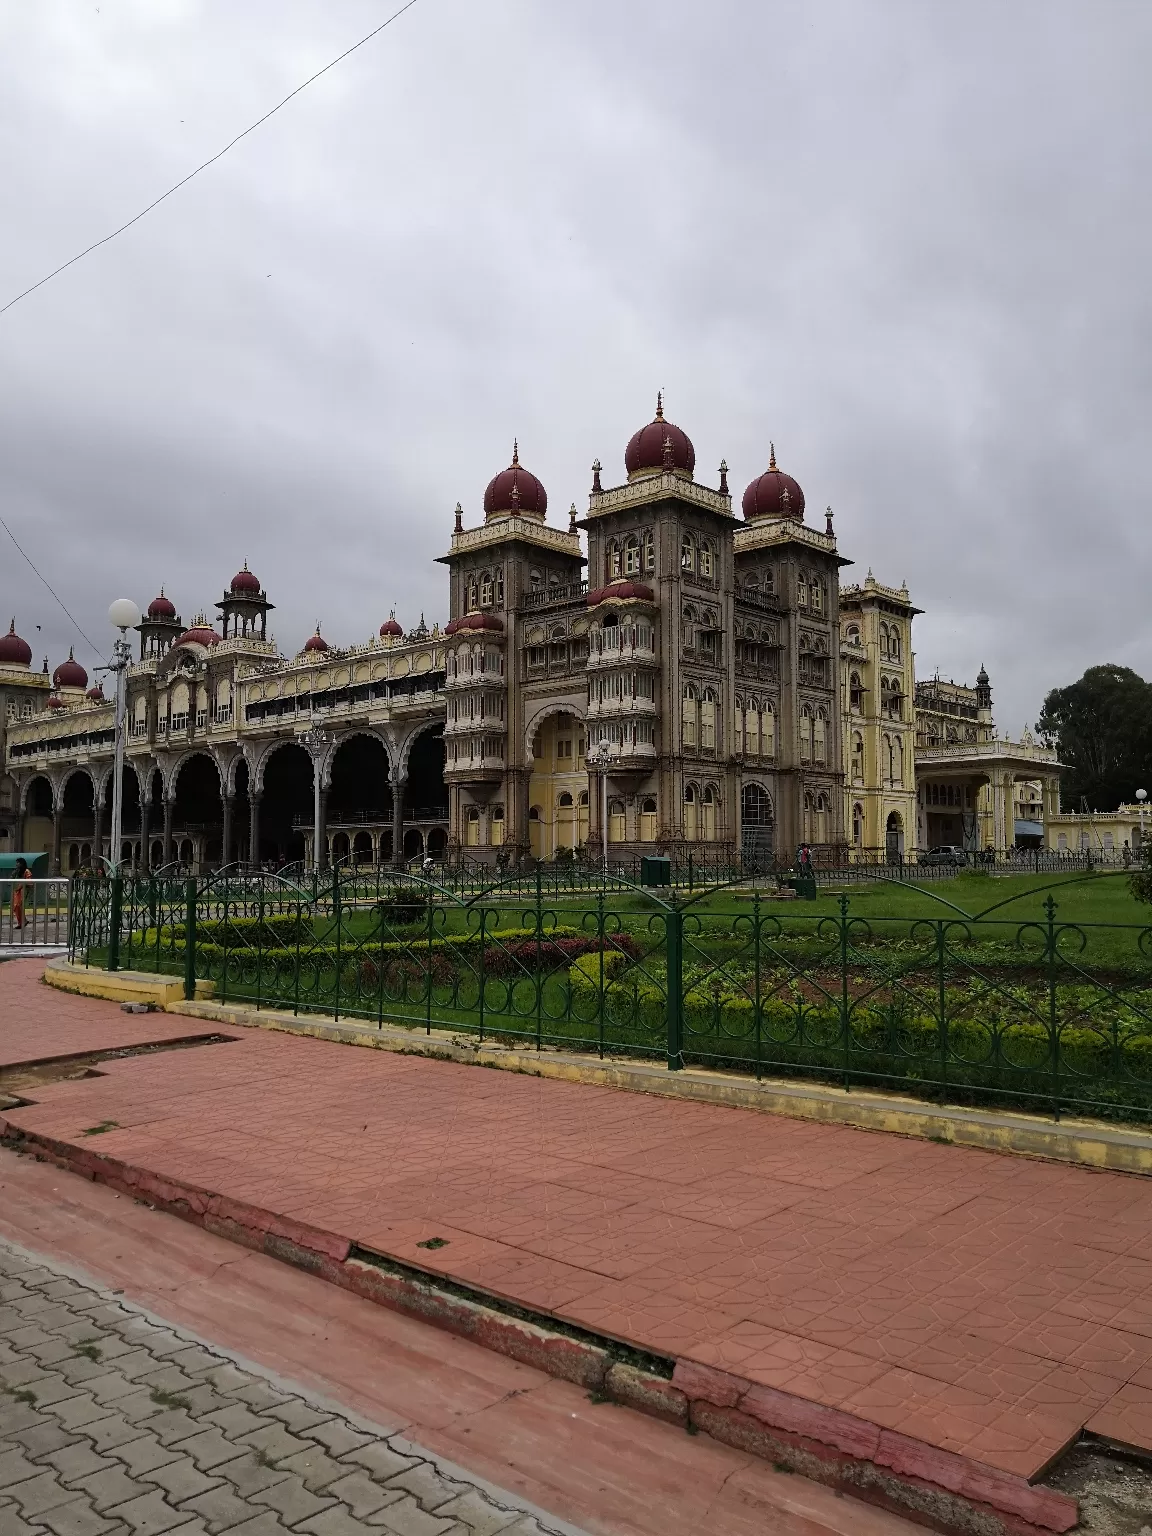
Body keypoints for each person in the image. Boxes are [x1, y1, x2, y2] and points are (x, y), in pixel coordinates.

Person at [10, 857, 29, 929]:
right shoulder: (17, 871)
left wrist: (21, 886)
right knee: (16, 907)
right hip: (16, 891)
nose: (17, 864)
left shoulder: (26, 871)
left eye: (18, 863)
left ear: (22, 863)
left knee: (18, 905)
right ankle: (21, 922)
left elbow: (29, 881)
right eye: (16, 863)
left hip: (23, 890)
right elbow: (11, 879)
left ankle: (23, 921)